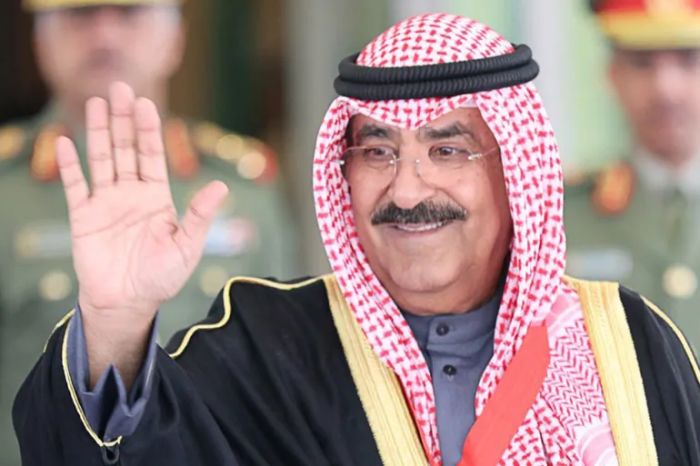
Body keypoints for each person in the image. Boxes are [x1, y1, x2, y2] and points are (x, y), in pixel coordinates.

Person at [13, 13, 700, 466]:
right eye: (376, 151)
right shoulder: (267, 347)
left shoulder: (624, 343)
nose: (407, 190)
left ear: (516, 171)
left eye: (448, 150)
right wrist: (117, 320)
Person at [0, 0, 300, 461]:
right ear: (39, 41)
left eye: (130, 13)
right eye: (79, 15)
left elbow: (279, 371)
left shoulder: (244, 185)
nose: (105, 36)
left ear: (176, 38)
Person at [565, 0, 700, 351]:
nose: (666, 89)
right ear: (612, 76)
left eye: (689, 60)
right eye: (642, 63)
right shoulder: (562, 216)